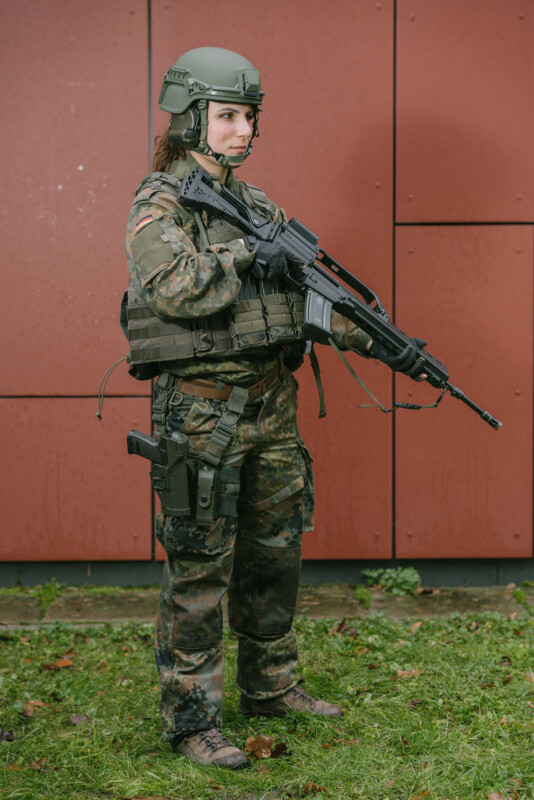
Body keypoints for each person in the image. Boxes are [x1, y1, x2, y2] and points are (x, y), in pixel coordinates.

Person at [123, 47, 385, 770]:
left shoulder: (258, 204)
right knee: (200, 562)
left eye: (251, 117)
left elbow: (308, 295)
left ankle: (270, 684)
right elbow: (177, 289)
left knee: (275, 551)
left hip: (271, 406)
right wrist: (243, 255)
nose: (245, 131)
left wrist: (378, 337)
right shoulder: (161, 205)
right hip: (200, 414)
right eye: (231, 116)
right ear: (191, 118)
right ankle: (192, 717)